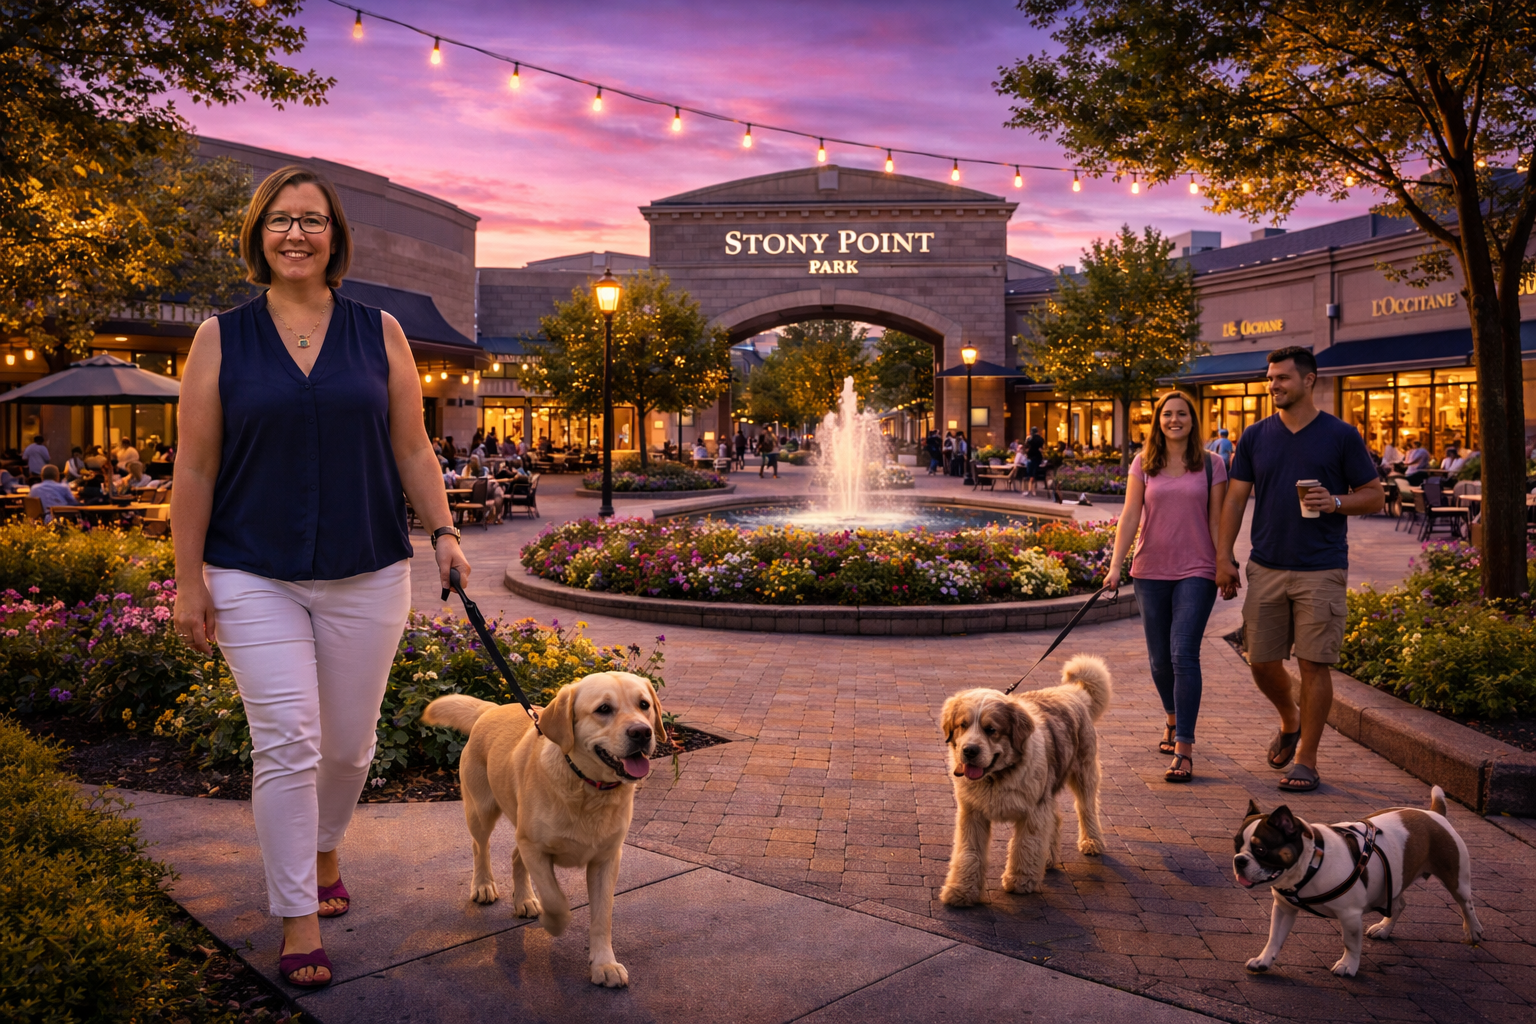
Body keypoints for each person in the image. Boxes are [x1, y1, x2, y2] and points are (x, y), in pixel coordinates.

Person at [171, 165, 468, 988]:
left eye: (312, 219)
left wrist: (443, 532)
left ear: (335, 236)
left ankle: (328, 844)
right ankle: (297, 914)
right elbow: (193, 470)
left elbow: (412, 446)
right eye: (280, 220)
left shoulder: (381, 332)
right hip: (249, 568)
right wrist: (188, 579)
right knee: (289, 743)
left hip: (367, 564)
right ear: (257, 235)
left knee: (348, 746)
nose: (295, 233)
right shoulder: (219, 337)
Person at [1215, 346, 1383, 794]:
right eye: (1270, 379)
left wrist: (1336, 502)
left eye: (1283, 378)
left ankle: (1306, 759)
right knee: (1261, 660)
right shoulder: (1255, 436)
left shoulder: (1340, 436)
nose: (1273, 386)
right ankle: (1290, 718)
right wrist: (1223, 555)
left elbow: (1375, 494)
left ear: (1309, 381)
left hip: (1321, 568)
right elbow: (1234, 498)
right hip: (1266, 565)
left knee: (1314, 664)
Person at [1105, 392, 1227, 783]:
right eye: (1167, 414)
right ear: (1158, 420)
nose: (1175, 420)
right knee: (1159, 661)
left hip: (1197, 569)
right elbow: (1129, 516)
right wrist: (1114, 567)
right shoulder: (1144, 463)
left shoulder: (1213, 465)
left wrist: (1223, 562)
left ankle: (1184, 749)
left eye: (1182, 414)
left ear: (1194, 419)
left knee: (1182, 654)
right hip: (1150, 570)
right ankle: (1172, 719)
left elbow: (1217, 520)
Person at [1024, 426, 1045, 496]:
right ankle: (1033, 490)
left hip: (1031, 458)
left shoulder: (1030, 439)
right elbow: (1041, 448)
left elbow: (1026, 446)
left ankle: (1031, 490)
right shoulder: (1040, 439)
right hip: (1038, 458)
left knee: (1031, 475)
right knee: (1034, 474)